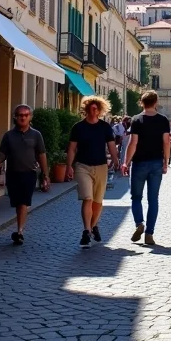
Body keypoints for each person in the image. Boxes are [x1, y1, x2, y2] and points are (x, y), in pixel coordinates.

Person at [65, 96, 118, 249]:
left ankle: (93, 226)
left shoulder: (105, 127)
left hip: (101, 166)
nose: (94, 110)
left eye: (97, 108)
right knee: (87, 198)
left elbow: (111, 146)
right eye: (91, 108)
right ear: (87, 109)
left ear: (100, 110)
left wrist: (115, 160)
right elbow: (72, 148)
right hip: (82, 166)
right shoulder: (78, 127)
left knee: (98, 201)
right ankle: (86, 231)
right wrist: (69, 166)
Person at [122, 91, 171, 246]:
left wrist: (126, 162)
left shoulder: (136, 120)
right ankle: (149, 233)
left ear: (141, 102)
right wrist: (166, 161)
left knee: (136, 198)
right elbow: (166, 142)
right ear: (156, 102)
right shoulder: (163, 120)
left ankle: (139, 224)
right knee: (153, 199)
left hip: (139, 163)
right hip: (156, 162)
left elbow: (133, 143)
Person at [0, 104, 49, 245]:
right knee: (17, 202)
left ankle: (19, 231)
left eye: (26, 115)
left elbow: (42, 155)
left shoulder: (36, 135)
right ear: (15, 117)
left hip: (29, 174)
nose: (23, 117)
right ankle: (19, 228)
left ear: (30, 117)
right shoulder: (9, 136)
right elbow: (2, 154)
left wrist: (45, 175)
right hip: (13, 174)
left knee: (23, 202)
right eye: (20, 115)